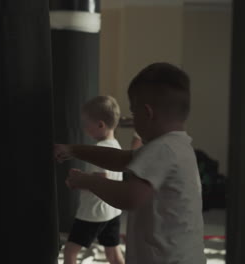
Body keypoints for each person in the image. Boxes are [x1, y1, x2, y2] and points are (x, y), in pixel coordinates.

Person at [55, 62, 206, 264]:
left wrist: (87, 181)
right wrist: (74, 150)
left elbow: (129, 197)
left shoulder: (162, 149)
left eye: (134, 114)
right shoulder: (177, 145)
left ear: (147, 113)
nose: (133, 120)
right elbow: (121, 159)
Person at [63, 96, 125, 264]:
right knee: (113, 252)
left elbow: (100, 181)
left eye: (86, 124)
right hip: (112, 212)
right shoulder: (115, 145)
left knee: (69, 252)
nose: (84, 129)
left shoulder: (100, 149)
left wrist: (77, 181)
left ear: (100, 125)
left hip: (93, 213)